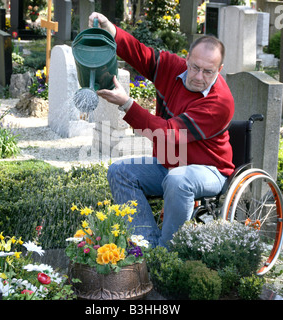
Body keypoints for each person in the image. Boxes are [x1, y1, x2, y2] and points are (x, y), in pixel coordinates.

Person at [90, 12, 235, 248]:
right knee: (119, 171)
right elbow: (140, 53)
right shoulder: (172, 67)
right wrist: (110, 30)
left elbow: (167, 133)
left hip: (209, 169)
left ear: (220, 69)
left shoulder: (220, 102)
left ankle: (165, 254)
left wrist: (127, 104)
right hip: (171, 163)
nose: (198, 77)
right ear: (187, 58)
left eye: (208, 71)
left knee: (179, 179)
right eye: (195, 67)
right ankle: (147, 245)